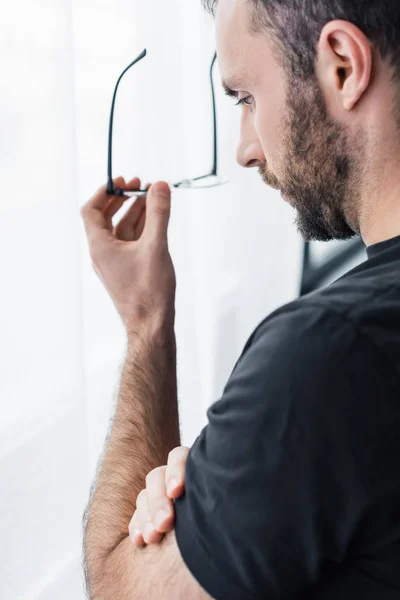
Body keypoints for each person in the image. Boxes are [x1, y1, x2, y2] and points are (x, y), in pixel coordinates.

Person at [81, 0, 400, 598]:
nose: (245, 149)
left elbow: (119, 587)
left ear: (342, 66)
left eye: (246, 98)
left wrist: (147, 323)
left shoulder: (330, 354)